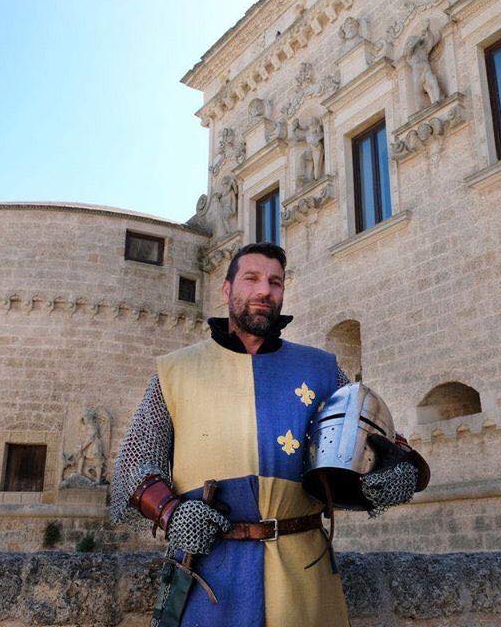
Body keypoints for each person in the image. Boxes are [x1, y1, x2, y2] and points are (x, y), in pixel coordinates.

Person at [110, 242, 421, 627]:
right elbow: (133, 467)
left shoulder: (320, 369)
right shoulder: (177, 372)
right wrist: (172, 514)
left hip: (303, 574)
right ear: (227, 290)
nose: (264, 291)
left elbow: (373, 444)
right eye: (251, 278)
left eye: (275, 282)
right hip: (208, 573)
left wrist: (393, 472)